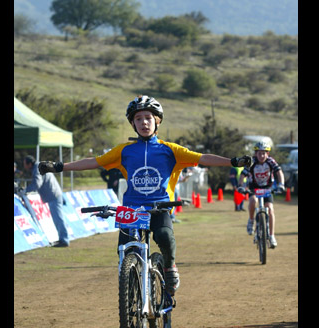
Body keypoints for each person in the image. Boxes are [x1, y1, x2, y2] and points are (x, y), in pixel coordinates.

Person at [39, 95, 251, 296]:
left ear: (157, 121)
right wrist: (59, 167)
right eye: (138, 119)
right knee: (124, 252)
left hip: (159, 207)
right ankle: (131, 299)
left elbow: (203, 158)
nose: (143, 122)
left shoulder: (170, 150)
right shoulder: (124, 150)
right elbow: (95, 162)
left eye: (148, 118)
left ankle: (170, 266)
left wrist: (232, 162)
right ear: (133, 124)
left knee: (164, 236)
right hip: (132, 209)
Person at [243, 140, 285, 248]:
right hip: (254, 187)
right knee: (253, 201)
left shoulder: (271, 161)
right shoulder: (251, 162)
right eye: (259, 153)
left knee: (270, 209)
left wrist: (281, 184)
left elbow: (279, 172)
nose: (261, 156)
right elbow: (243, 175)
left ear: (267, 153)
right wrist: (241, 186)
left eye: (264, 153)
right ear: (255, 154)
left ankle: (272, 235)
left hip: (267, 187)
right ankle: (251, 220)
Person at [23, 155, 71, 248]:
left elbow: (37, 183)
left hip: (53, 195)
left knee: (58, 218)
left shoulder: (37, 168)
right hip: (55, 193)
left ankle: (64, 240)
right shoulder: (40, 165)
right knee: (58, 218)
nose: (24, 166)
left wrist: (25, 190)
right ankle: (63, 238)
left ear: (29, 164)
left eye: (25, 164)